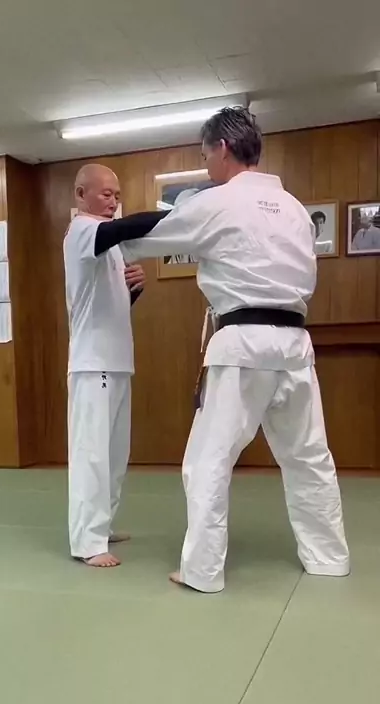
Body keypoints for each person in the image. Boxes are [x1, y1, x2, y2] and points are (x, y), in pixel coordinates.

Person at [94, 107, 350, 593]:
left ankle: (203, 571)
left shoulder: (218, 202)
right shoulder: (295, 208)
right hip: (295, 345)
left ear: (223, 148)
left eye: (205, 154)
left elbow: (147, 237)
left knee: (208, 459)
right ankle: (329, 558)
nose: (206, 163)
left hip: (242, 344)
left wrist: (95, 233)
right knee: (309, 458)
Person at [63, 164, 146, 567]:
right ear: (82, 194)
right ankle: (87, 541)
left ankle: (103, 524)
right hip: (91, 361)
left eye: (117, 195)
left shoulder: (109, 245)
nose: (113, 201)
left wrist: (133, 291)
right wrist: (179, 215)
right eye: (106, 194)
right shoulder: (82, 230)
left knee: (114, 456)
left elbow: (107, 304)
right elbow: (125, 228)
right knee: (92, 455)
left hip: (117, 362)